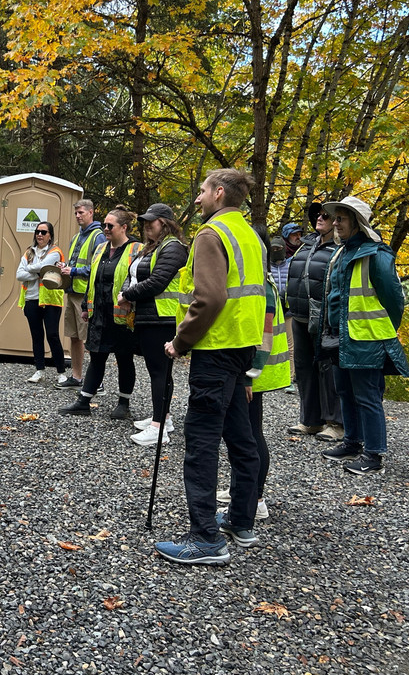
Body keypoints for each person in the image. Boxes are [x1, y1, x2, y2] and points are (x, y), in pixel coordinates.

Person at [153, 169, 265, 566]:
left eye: (201, 191)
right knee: (241, 436)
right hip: (242, 347)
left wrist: (180, 341)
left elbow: (210, 297)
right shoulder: (250, 234)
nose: (197, 198)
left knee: (201, 441)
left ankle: (205, 538)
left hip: (215, 349)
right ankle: (240, 520)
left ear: (219, 193)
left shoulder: (210, 234)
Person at [318, 196, 409, 475]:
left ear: (357, 223)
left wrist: (383, 329)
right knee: (345, 391)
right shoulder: (341, 252)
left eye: (341, 219)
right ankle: (352, 442)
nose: (335, 223)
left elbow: (394, 299)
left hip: (366, 337)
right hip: (341, 336)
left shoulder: (376, 254)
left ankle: (373, 455)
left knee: (367, 396)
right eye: (335, 218)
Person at [218, 228, 292, 520]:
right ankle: (243, 490)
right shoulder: (262, 278)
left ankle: (255, 498)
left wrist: (248, 375)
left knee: (250, 434)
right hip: (255, 370)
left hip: (256, 371)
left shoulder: (261, 282)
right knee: (248, 431)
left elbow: (265, 332)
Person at [60, 206, 141, 420]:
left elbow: (138, 281)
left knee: (124, 359)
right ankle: (83, 401)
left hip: (122, 317)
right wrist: (87, 307)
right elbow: (93, 280)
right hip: (100, 315)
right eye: (104, 224)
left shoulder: (136, 250)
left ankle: (124, 403)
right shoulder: (100, 249)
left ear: (124, 227)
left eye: (110, 225)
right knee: (96, 357)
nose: (105, 228)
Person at [118, 203, 188, 447]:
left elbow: (157, 282)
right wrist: (127, 291)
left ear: (166, 223)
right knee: (157, 371)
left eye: (152, 221)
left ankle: (159, 429)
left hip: (163, 318)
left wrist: (127, 296)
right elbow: (133, 275)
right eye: (145, 221)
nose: (147, 225)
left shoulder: (174, 248)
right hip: (149, 316)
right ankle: (163, 418)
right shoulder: (152, 247)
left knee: (160, 372)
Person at [285, 204, 343, 440]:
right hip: (299, 314)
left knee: (327, 369)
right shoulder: (308, 243)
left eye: (325, 216)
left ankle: (335, 424)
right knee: (304, 368)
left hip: (324, 318)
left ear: (337, 221)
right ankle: (311, 421)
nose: (319, 218)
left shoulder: (339, 248)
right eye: (318, 215)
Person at [55, 199, 106, 388]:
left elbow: (98, 267)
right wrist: (66, 267)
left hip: (87, 296)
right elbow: (76, 264)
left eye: (81, 213)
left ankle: (96, 382)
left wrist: (74, 271)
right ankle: (77, 378)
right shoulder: (76, 237)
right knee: (74, 336)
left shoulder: (98, 236)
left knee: (91, 339)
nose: (77, 216)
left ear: (91, 212)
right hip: (72, 292)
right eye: (76, 213)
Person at [15, 221, 66, 384]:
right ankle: (39, 370)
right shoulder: (29, 252)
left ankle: (61, 372)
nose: (40, 235)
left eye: (44, 232)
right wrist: (37, 273)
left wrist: (31, 269)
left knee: (52, 335)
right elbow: (19, 274)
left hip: (50, 300)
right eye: (37, 231)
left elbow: (44, 267)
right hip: (31, 298)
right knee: (36, 336)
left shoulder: (55, 251)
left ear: (50, 235)